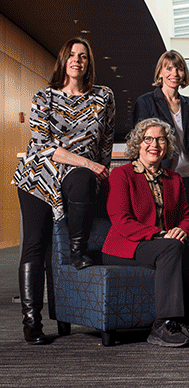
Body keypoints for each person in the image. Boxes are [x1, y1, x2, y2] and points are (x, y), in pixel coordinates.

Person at [13, 38, 115, 345]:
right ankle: (32, 322)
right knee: (34, 243)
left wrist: (99, 173)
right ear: (63, 60)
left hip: (78, 175)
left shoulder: (103, 97)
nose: (77, 60)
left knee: (84, 178)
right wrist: (88, 163)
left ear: (88, 63)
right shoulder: (43, 97)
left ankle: (77, 251)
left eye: (83, 56)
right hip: (38, 175)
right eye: (71, 55)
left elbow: (106, 143)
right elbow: (43, 146)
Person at [102, 118, 189, 348]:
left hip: (165, 244)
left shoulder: (175, 178)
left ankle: (186, 322)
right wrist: (161, 235)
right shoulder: (121, 175)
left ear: (167, 145)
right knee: (171, 247)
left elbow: (187, 216)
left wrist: (181, 230)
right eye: (148, 139)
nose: (154, 144)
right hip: (126, 245)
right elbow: (121, 220)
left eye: (160, 139)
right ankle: (163, 324)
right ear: (138, 144)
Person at [134, 50, 189, 234]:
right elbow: (140, 144)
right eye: (168, 68)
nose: (174, 74)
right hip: (161, 177)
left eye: (179, 69)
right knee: (164, 232)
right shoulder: (145, 102)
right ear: (160, 72)